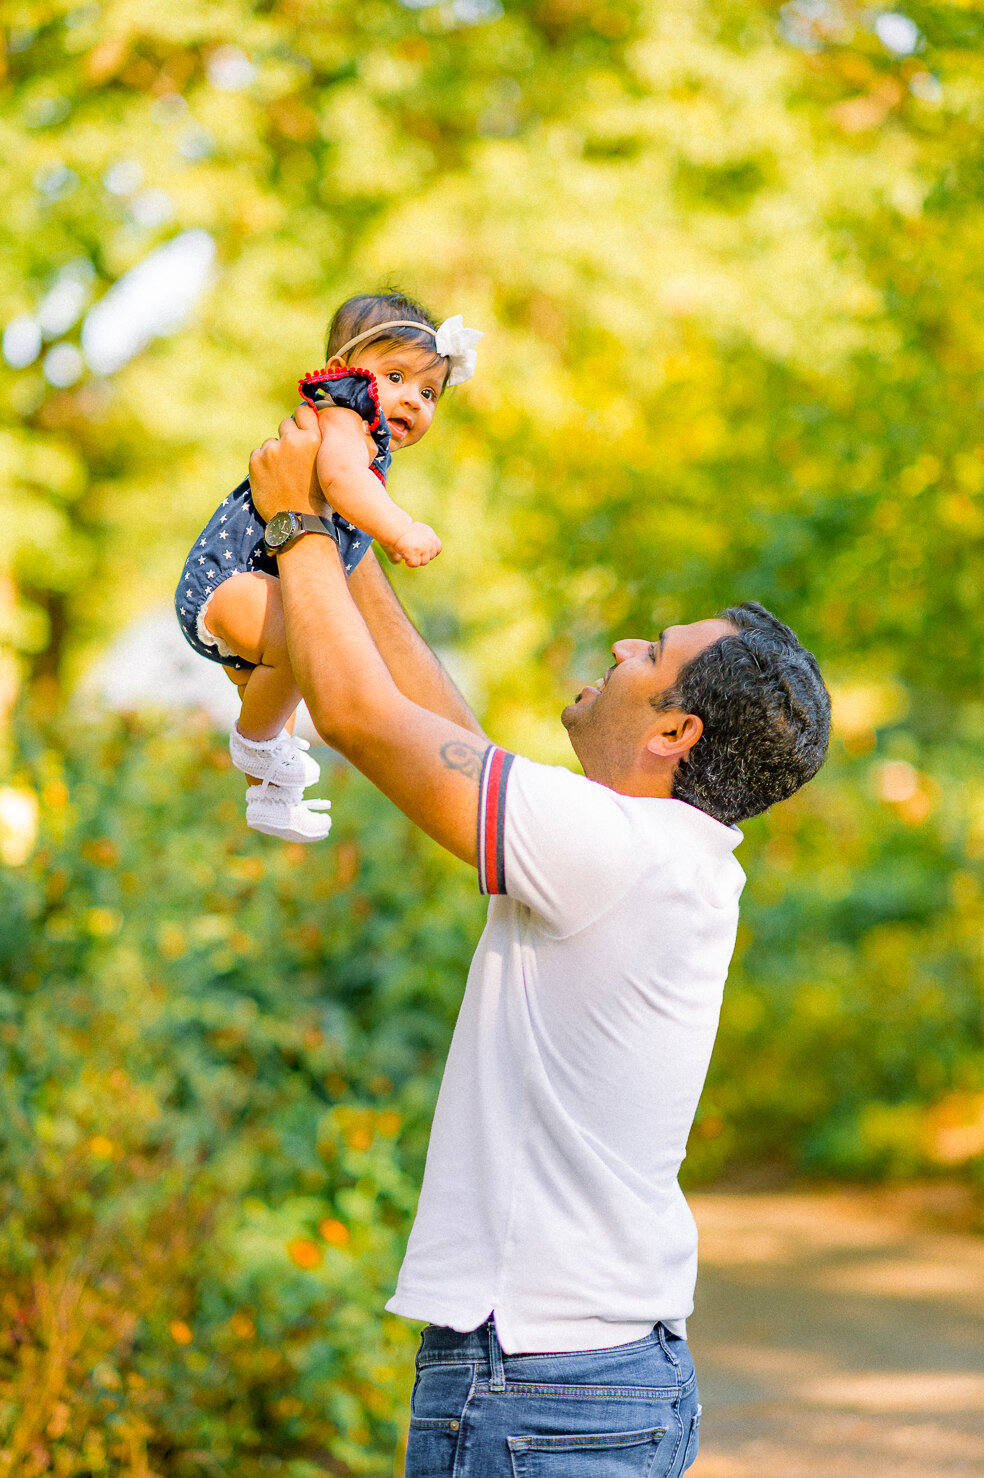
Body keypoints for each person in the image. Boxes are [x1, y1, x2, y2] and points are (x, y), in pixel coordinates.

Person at [246, 406, 831, 1478]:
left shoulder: (615, 851)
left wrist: (294, 522)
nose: (621, 646)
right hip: (603, 1372)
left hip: (535, 1379)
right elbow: (438, 726)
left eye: (650, 652)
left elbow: (363, 720)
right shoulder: (657, 850)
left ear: (672, 729)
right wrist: (353, 537)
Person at [174, 290, 481, 842]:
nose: (412, 400)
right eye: (395, 377)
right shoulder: (343, 412)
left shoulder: (367, 432)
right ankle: (254, 743)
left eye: (429, 391)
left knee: (301, 657)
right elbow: (341, 477)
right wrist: (399, 528)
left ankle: (271, 797)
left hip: (260, 585)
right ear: (348, 371)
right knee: (304, 644)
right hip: (228, 579)